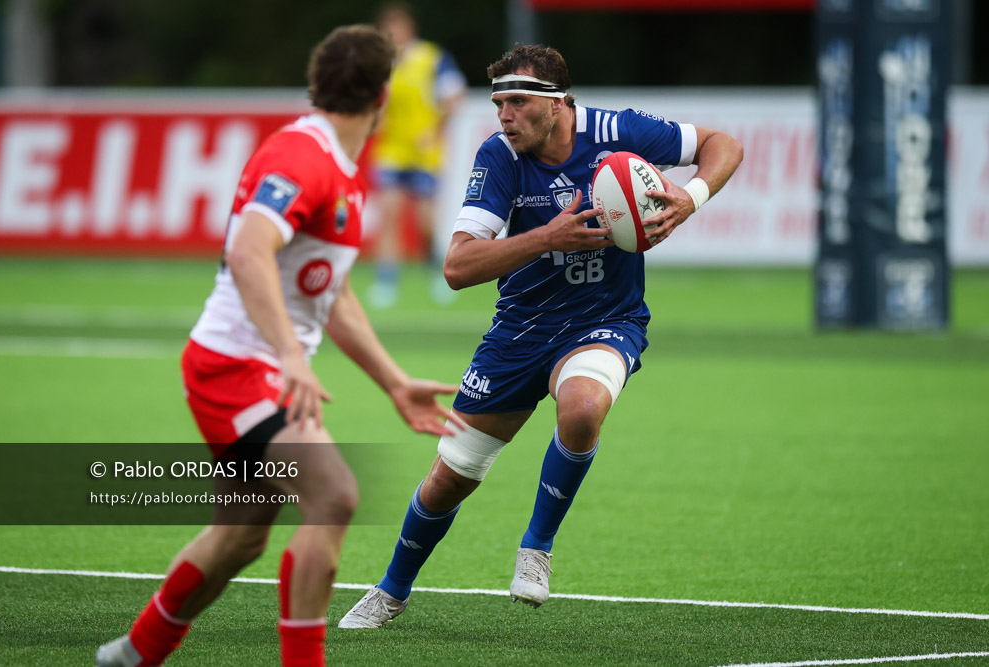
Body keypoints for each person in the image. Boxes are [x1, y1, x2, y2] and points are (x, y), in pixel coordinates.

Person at [339, 44, 743, 628]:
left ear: (558, 105)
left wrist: (691, 196)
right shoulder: (499, 156)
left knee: (581, 409)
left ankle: (536, 548)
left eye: (519, 102)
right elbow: (458, 268)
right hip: (521, 330)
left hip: (606, 318)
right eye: (499, 102)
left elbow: (721, 145)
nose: (505, 114)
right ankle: (391, 589)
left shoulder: (619, 132)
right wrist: (546, 238)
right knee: (450, 477)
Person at [95, 25, 462, 667]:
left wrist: (393, 381)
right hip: (233, 368)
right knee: (334, 495)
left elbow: (334, 295)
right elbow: (247, 249)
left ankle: (134, 654)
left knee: (240, 537)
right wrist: (291, 354)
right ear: (383, 95)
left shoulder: (342, 168)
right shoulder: (302, 158)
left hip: (252, 367)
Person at [366, 2, 466, 308]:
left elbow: (455, 96)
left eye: (397, 28)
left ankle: (437, 271)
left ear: (409, 30)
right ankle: (386, 281)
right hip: (392, 149)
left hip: (425, 152)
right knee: (389, 211)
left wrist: (435, 131)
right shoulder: (380, 63)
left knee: (425, 220)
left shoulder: (432, 58)